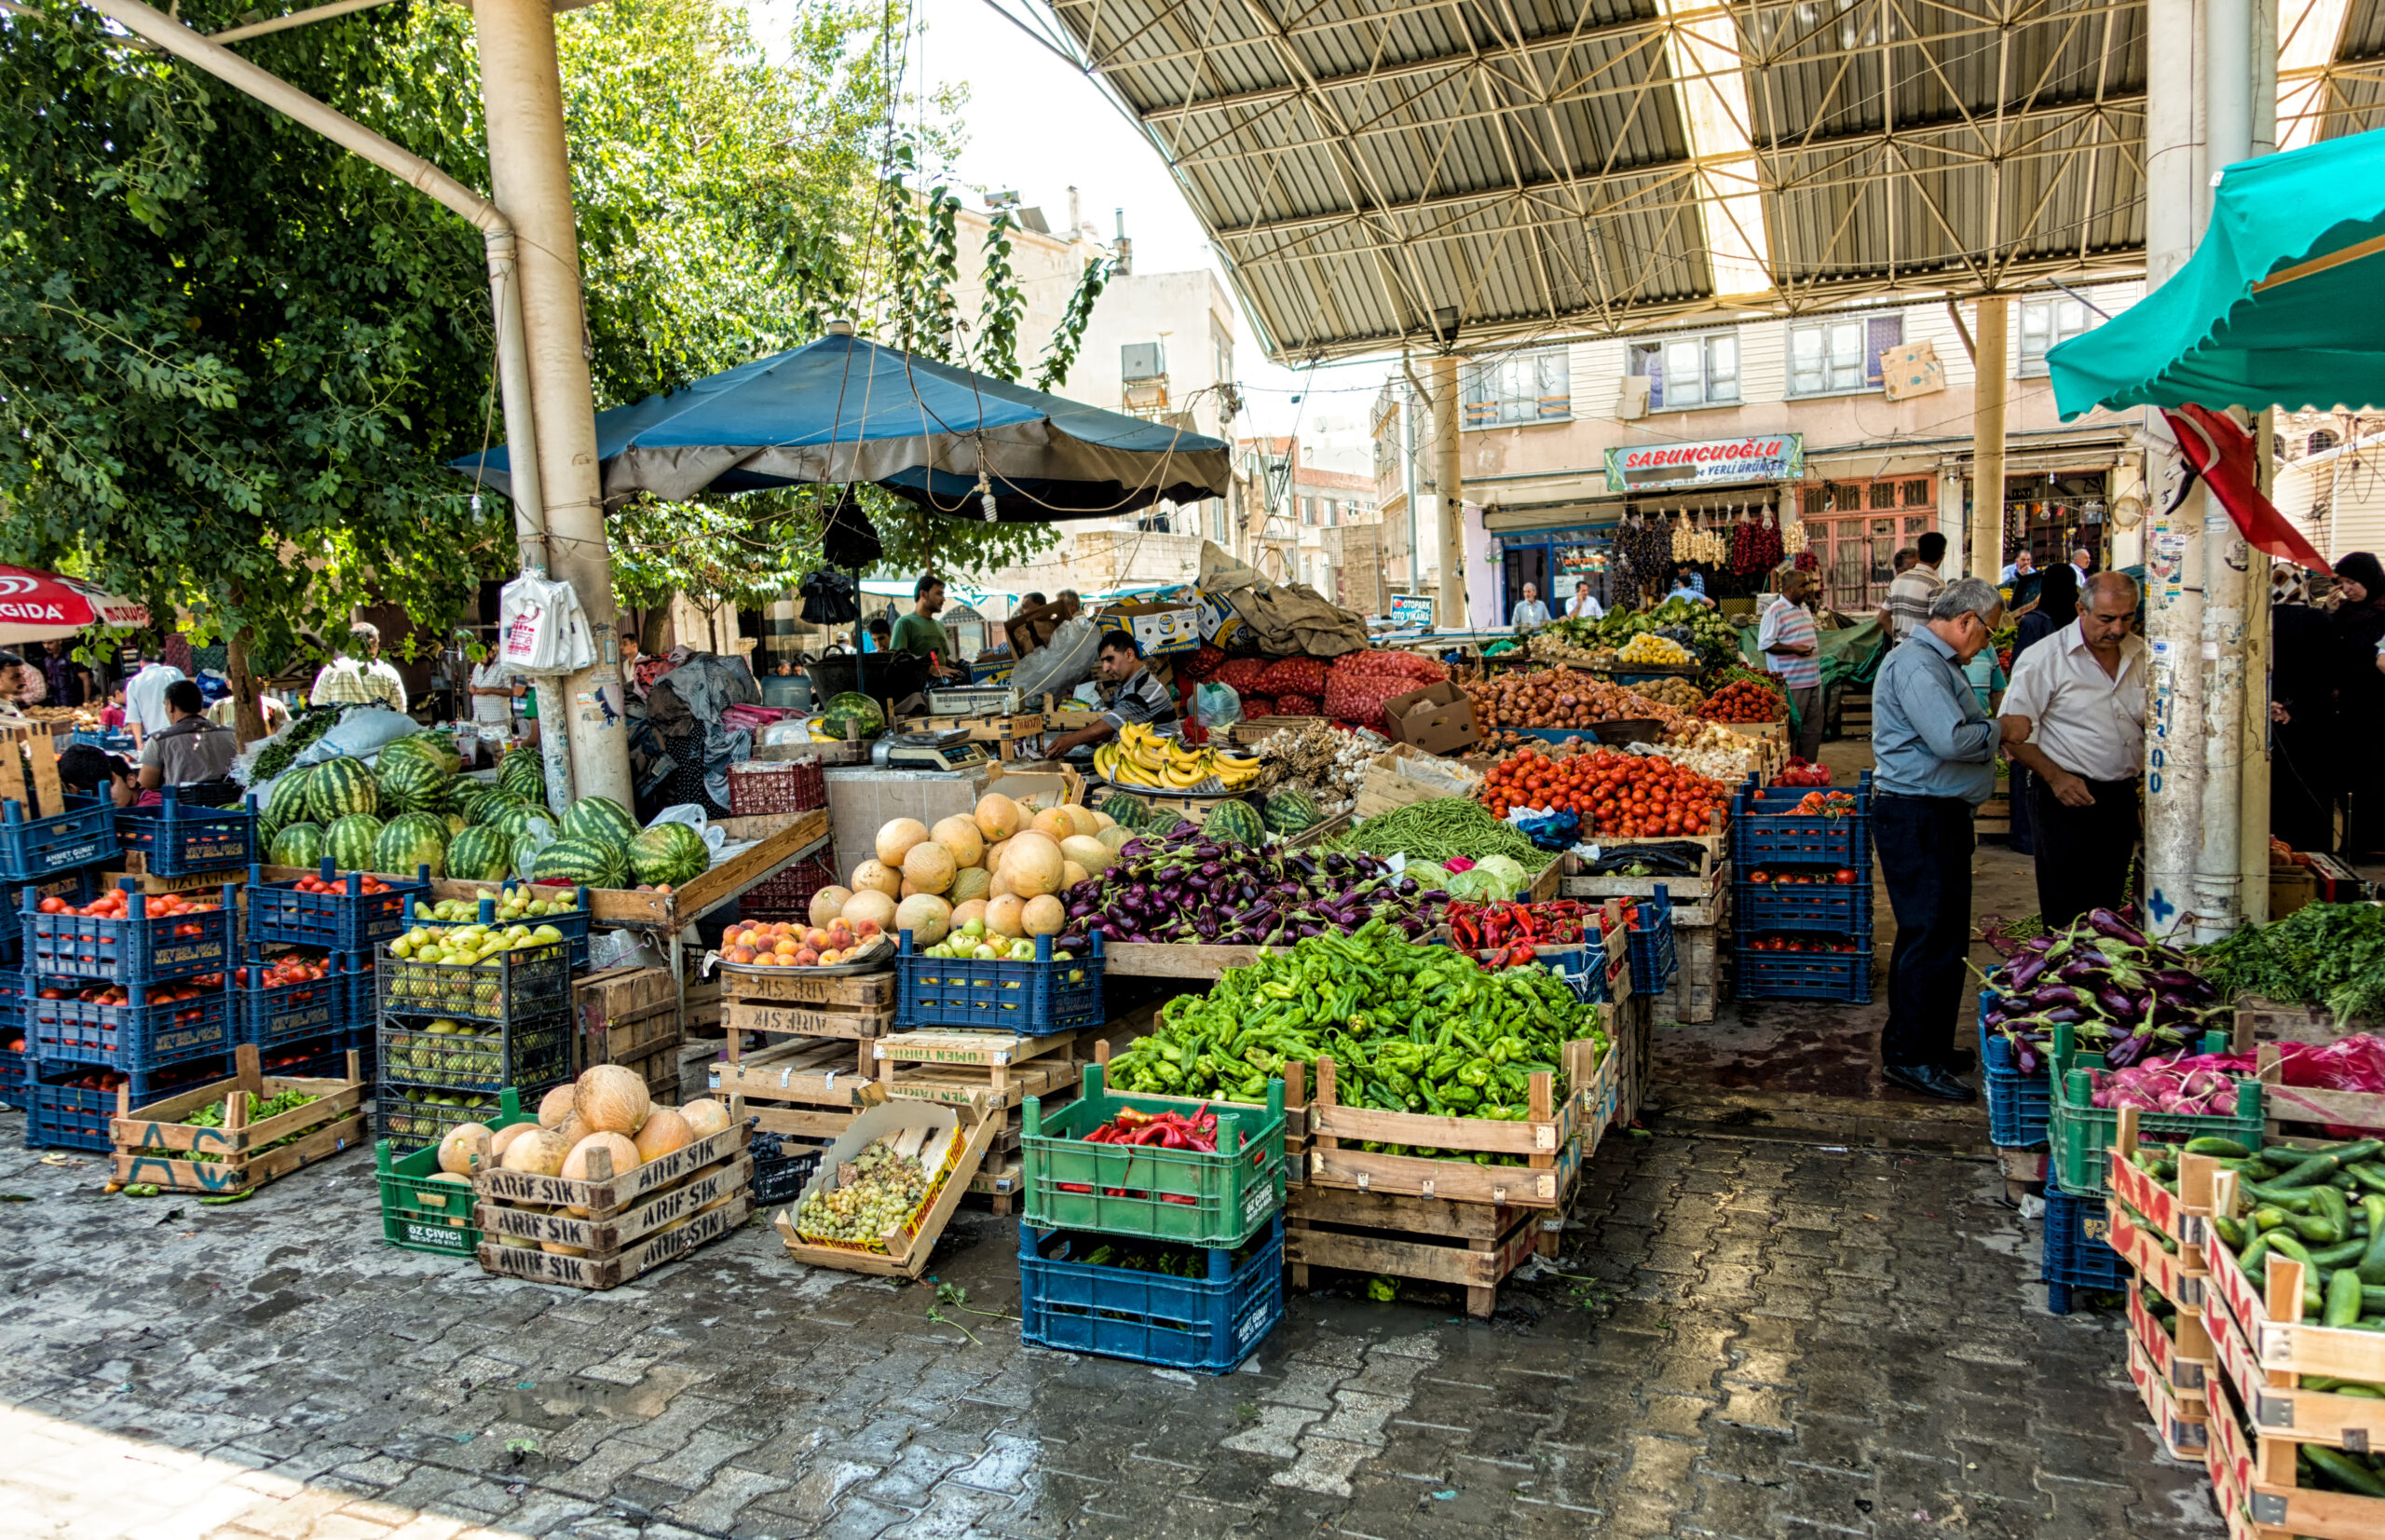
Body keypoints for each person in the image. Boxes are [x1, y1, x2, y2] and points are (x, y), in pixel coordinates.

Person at [1871, 575, 2007, 1102]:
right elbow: (1951, 740)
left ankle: (1929, 1044)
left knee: (1943, 935)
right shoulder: (1917, 664)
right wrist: (2002, 731)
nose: (1988, 643)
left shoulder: (1934, 663)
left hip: (1936, 815)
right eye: (1988, 633)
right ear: (1967, 620)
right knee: (1928, 935)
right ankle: (1909, 1056)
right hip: (1918, 816)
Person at [1998, 573, 2148, 928]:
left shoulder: (2142, 654)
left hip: (2121, 796)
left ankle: (2099, 978)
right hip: (2063, 797)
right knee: (2066, 909)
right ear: (2081, 609)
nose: (2117, 629)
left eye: (2127, 618)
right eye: (2106, 619)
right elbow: (2011, 733)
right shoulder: (2045, 658)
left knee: (2108, 904)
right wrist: (2056, 777)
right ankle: (2063, 977)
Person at [2003, 563, 2081, 856]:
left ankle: (2027, 837)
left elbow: (2021, 671)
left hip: (2035, 711)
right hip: (2067, 712)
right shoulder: (2078, 622)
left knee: (2028, 771)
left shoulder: (2034, 621)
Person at [1037, 631, 1179, 758]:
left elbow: (1109, 724)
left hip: (1166, 760)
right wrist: (1105, 737)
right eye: (1103, 661)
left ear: (1129, 655)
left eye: (1110, 659)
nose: (1105, 668)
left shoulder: (1144, 689)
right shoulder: (1127, 686)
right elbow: (1124, 726)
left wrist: (1071, 740)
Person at [2331, 552, 2385, 857]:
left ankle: (2371, 844)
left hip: (2377, 707)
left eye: (2353, 582)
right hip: (2349, 706)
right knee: (2348, 776)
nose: (2347, 588)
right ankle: (2352, 842)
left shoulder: (2382, 613)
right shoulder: (2344, 613)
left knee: (2373, 776)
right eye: (2343, 582)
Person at [1758, 568, 1825, 763]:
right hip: (1792, 683)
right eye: (1803, 585)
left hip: (1813, 680)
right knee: (1793, 731)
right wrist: (1794, 649)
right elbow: (1766, 644)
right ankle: (1792, 771)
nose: (1808, 589)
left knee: (1812, 731)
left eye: (1808, 584)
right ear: (1788, 588)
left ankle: (1810, 770)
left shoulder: (1804, 608)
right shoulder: (1775, 612)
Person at [140, 678, 238, 794]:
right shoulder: (231, 734)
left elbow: (145, 785)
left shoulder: (159, 740)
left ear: (170, 705)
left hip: (183, 807)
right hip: (229, 804)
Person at [309, 622, 406, 711]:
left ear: (350, 643)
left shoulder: (332, 669)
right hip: (378, 729)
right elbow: (399, 710)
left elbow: (317, 704)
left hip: (342, 729)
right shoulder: (388, 672)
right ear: (374, 643)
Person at [1882, 532, 1948, 643]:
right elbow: (1938, 626)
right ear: (1942, 556)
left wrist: (1899, 639)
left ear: (1918, 554)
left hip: (1899, 650)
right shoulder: (1936, 585)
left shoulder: (1897, 580)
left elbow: (1882, 619)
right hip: (1922, 651)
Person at [891, 576, 961, 680]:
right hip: (919, 691)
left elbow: (943, 661)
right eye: (938, 594)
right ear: (923, 594)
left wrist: (966, 667)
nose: (943, 599)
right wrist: (930, 670)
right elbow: (897, 661)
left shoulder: (939, 625)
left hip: (942, 689)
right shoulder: (904, 623)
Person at [56, 743, 156, 809]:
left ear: (130, 780)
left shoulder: (152, 806)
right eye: (97, 792)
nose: (104, 796)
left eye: (110, 784)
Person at [124, 658, 188, 734]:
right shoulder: (173, 672)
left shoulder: (134, 682)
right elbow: (188, 699)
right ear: (164, 662)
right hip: (179, 731)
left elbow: (134, 717)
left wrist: (139, 743)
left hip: (155, 736)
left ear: (141, 663)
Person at [466, 642, 519, 729]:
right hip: (479, 717)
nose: (480, 661)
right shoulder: (478, 666)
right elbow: (472, 684)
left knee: (500, 743)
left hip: (497, 718)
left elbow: (511, 691)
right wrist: (471, 688)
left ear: (490, 653)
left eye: (482, 658)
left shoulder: (503, 666)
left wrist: (490, 690)